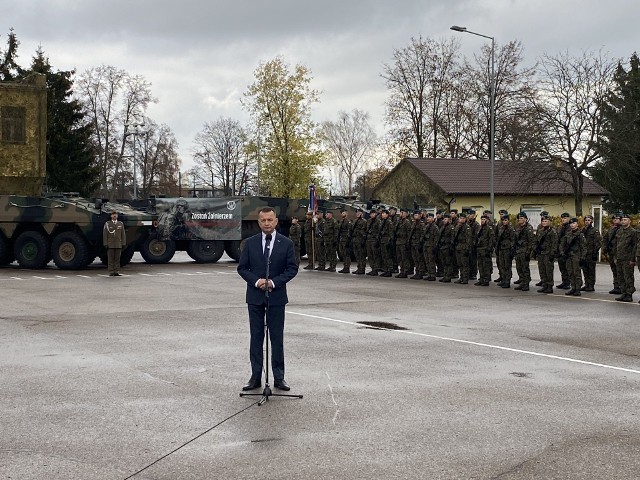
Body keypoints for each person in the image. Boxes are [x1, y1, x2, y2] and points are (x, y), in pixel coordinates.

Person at [237, 207, 298, 391]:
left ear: (276, 221)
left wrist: (273, 282)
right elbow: (242, 268)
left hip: (277, 297)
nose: (266, 223)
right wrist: (257, 282)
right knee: (256, 338)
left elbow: (292, 269)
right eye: (263, 220)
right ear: (258, 222)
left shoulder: (286, 243)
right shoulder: (250, 243)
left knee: (276, 338)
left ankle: (279, 378)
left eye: (269, 220)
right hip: (255, 297)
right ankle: (256, 377)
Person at [559, 217, 586, 296]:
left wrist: (583, 258)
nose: (572, 225)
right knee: (570, 272)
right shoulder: (568, 234)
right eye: (571, 223)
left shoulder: (580, 235)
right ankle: (573, 287)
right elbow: (562, 244)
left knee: (576, 272)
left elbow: (584, 247)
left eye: (574, 223)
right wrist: (562, 253)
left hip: (576, 256)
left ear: (577, 224)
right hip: (568, 256)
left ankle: (577, 288)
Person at [614, 214, 637, 302]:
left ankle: (629, 294)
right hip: (619, 257)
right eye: (622, 219)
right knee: (620, 276)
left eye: (625, 219)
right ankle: (624, 293)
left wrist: (632, 259)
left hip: (627, 258)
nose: (623, 221)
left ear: (629, 221)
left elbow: (634, 246)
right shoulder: (619, 231)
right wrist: (615, 257)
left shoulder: (633, 232)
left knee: (628, 277)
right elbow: (617, 245)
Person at [534, 215, 557, 294]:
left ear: (549, 222)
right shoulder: (540, 231)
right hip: (541, 253)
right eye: (543, 221)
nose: (544, 223)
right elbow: (536, 241)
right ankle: (544, 285)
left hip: (548, 253)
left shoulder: (552, 232)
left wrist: (552, 254)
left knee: (549, 271)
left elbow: (554, 244)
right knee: (542, 270)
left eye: (546, 221)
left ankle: (549, 286)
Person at [580, 215, 601, 292]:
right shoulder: (583, 230)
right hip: (583, 254)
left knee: (591, 270)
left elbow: (598, 243)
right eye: (586, 220)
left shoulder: (594, 231)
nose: (587, 222)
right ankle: (587, 284)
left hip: (591, 253)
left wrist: (595, 253)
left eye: (589, 220)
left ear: (592, 221)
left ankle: (591, 285)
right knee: (585, 270)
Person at [103, 210, 126, 276]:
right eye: (113, 215)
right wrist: (105, 243)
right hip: (110, 244)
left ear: (117, 216)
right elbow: (105, 234)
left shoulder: (120, 224)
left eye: (115, 214)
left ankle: (116, 271)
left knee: (117, 259)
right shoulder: (107, 224)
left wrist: (123, 243)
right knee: (110, 259)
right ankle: (111, 271)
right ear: (111, 216)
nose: (114, 216)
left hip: (118, 244)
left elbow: (123, 234)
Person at [602, 213, 621, 294]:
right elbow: (605, 239)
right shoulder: (611, 229)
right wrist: (604, 248)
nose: (615, 220)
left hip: (619, 253)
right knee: (614, 270)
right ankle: (616, 286)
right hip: (611, 252)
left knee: (620, 271)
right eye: (614, 218)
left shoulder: (622, 229)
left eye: (617, 218)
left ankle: (621, 287)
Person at [337, 209, 353, 274]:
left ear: (347, 214)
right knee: (343, 253)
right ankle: (344, 267)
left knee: (346, 254)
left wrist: (348, 240)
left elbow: (349, 231)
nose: (342, 214)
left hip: (346, 239)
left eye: (344, 213)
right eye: (342, 213)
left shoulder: (348, 222)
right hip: (341, 239)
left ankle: (347, 267)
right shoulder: (341, 221)